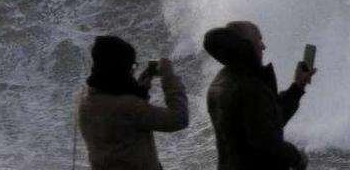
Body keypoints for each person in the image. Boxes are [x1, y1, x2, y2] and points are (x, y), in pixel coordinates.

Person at [204, 21, 317, 170]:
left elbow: (268, 121)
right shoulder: (248, 87)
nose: (263, 46)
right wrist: (296, 157)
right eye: (259, 39)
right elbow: (266, 143)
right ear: (246, 45)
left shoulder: (222, 80)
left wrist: (297, 87)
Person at [78, 35, 189, 170]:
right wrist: (169, 77)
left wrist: (138, 90)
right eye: (131, 65)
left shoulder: (85, 99)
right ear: (120, 69)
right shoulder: (129, 107)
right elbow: (179, 118)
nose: (132, 70)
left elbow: (121, 126)